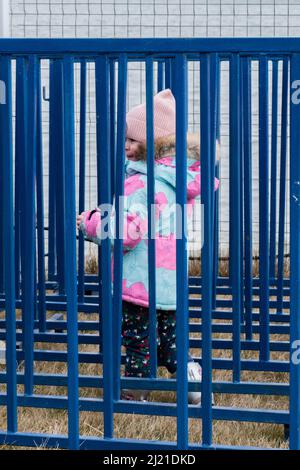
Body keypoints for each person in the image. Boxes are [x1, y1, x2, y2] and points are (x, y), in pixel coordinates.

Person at [77, 89, 219, 404]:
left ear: (153, 145)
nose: (126, 146)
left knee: (138, 338)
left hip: (139, 280)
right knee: (170, 340)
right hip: (169, 281)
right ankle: (191, 378)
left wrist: (91, 223)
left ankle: (135, 390)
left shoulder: (140, 184)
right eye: (126, 139)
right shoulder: (175, 179)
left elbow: (128, 232)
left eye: (133, 140)